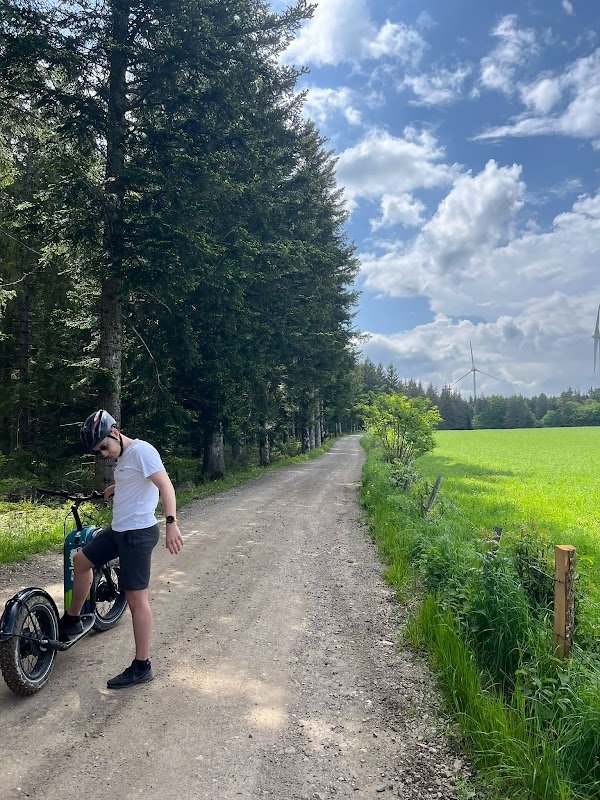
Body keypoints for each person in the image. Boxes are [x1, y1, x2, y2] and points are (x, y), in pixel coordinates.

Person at [59, 409, 184, 689]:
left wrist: (172, 523)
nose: (102, 453)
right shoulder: (124, 458)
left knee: (136, 600)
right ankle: (73, 619)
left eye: (104, 446)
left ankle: (142, 666)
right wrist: (118, 486)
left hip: (138, 534)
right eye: (97, 451)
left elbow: (165, 486)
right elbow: (137, 480)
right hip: (118, 530)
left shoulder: (142, 451)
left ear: (114, 433)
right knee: (81, 560)